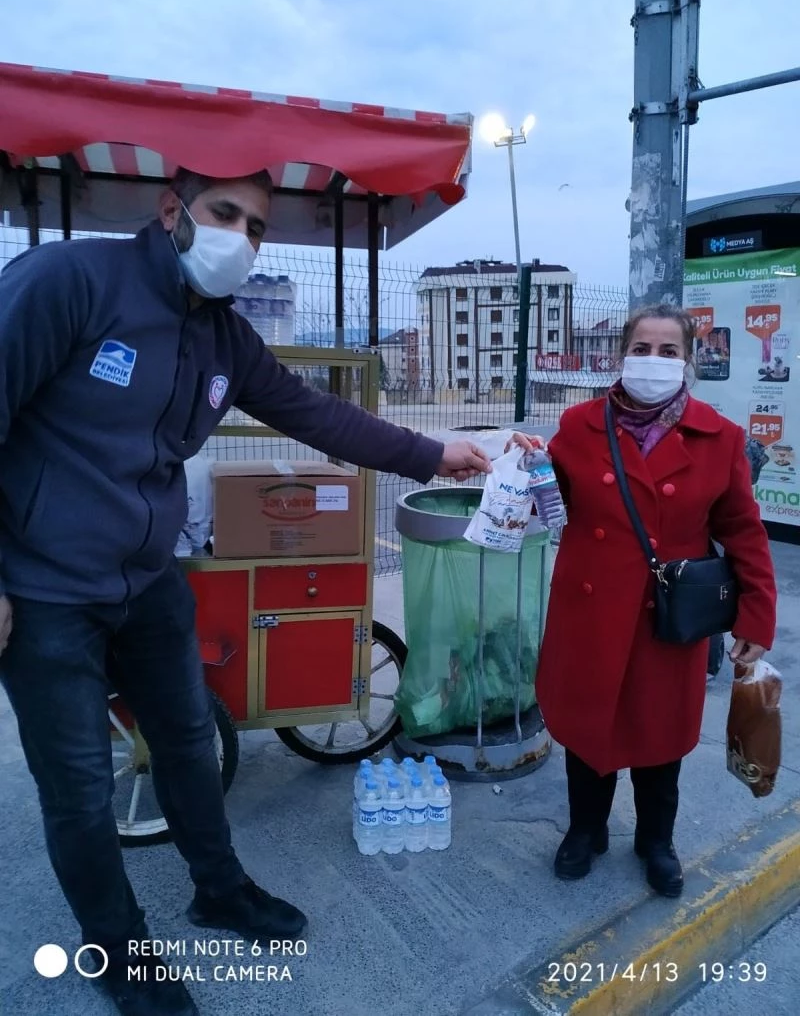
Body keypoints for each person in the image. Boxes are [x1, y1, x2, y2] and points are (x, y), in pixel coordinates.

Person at [0, 167, 491, 1016]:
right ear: (172, 212)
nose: (243, 236)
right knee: (79, 788)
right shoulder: (70, 283)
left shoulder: (223, 335)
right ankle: (120, 956)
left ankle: (219, 889)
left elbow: (313, 412)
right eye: (225, 213)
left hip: (145, 580)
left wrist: (432, 452)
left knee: (189, 739)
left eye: (258, 225)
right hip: (44, 589)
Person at [509, 303, 776, 901]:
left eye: (668, 351)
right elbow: (548, 508)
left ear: (688, 361)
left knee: (661, 738)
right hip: (590, 612)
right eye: (642, 349)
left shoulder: (720, 436)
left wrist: (757, 615)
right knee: (587, 732)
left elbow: (743, 531)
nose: (652, 361)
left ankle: (656, 841)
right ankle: (586, 829)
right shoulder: (577, 427)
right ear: (621, 356)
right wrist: (524, 472)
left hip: (669, 619)